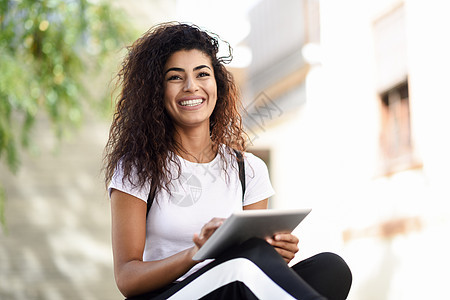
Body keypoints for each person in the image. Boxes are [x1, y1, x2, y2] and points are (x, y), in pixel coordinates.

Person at [103, 22, 352, 299]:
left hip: (234, 284)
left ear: (217, 84)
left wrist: (276, 253)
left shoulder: (249, 169)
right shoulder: (137, 168)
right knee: (244, 260)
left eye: (202, 74)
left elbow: (255, 260)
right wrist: (196, 254)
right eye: (175, 77)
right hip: (172, 294)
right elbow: (127, 278)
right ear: (156, 91)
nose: (191, 86)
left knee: (331, 268)